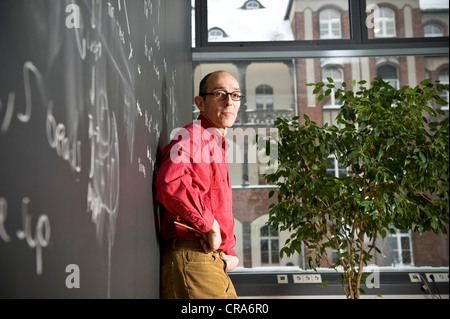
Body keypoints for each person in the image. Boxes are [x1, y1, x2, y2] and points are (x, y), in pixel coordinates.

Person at [155, 71, 243, 299]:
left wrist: (230, 253)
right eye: (220, 93)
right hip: (193, 255)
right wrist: (210, 225)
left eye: (235, 95)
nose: (229, 101)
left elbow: (216, 205)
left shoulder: (216, 145)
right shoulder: (193, 135)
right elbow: (170, 182)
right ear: (200, 102)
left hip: (211, 261)